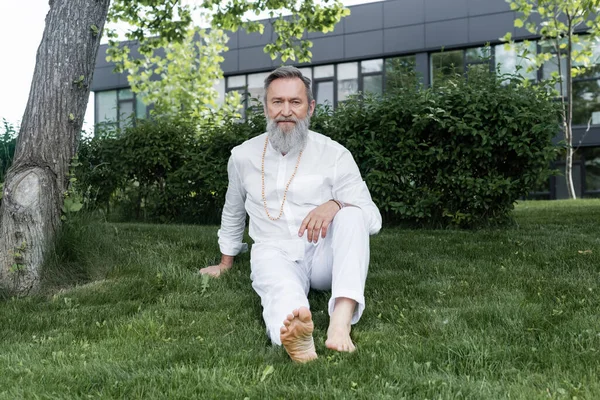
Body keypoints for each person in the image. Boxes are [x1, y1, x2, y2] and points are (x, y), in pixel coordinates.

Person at [200, 66, 381, 362]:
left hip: (323, 254)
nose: (286, 111)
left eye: (295, 102)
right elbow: (233, 210)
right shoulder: (242, 156)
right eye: (278, 102)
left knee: (352, 214)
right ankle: (297, 338)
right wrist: (225, 262)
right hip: (274, 251)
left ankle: (340, 323)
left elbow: (372, 219)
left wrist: (336, 205)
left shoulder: (334, 154)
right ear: (266, 107)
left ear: (309, 107)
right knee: (280, 289)